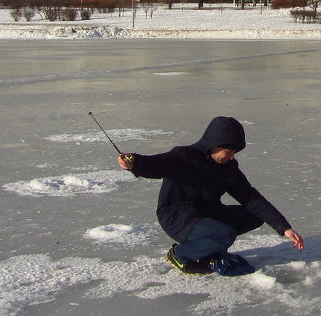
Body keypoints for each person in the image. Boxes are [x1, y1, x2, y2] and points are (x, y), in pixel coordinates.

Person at [118, 116, 304, 275]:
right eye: (229, 151)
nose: (232, 157)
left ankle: (208, 248)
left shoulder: (228, 168)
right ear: (214, 144)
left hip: (207, 212)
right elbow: (156, 164)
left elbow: (250, 198)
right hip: (176, 216)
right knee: (224, 235)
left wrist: (283, 227)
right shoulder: (184, 157)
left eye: (234, 152)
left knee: (254, 216)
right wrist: (135, 163)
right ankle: (180, 255)